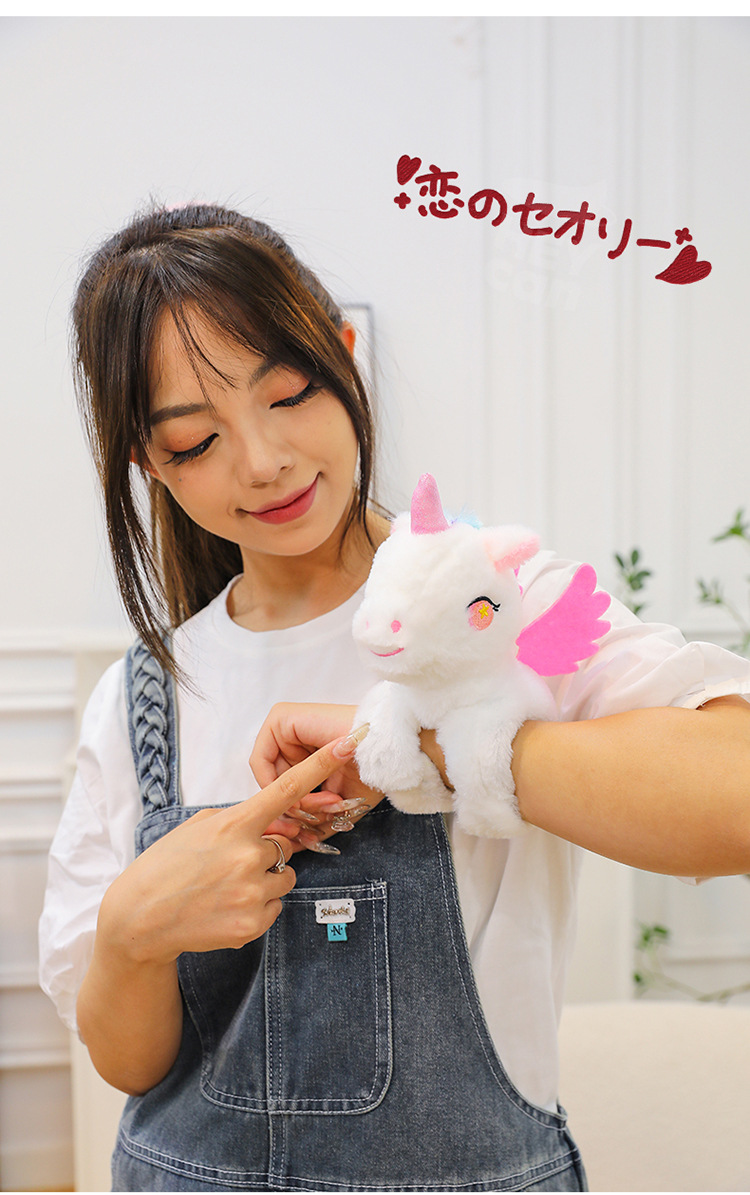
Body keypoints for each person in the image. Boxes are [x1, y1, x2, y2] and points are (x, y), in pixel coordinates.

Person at [39, 202, 750, 1193]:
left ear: (343, 355)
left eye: (288, 392)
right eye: (197, 440)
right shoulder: (141, 697)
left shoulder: (500, 606)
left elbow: (734, 797)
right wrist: (133, 927)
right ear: (148, 462)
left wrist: (429, 746)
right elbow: (130, 1063)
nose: (264, 460)